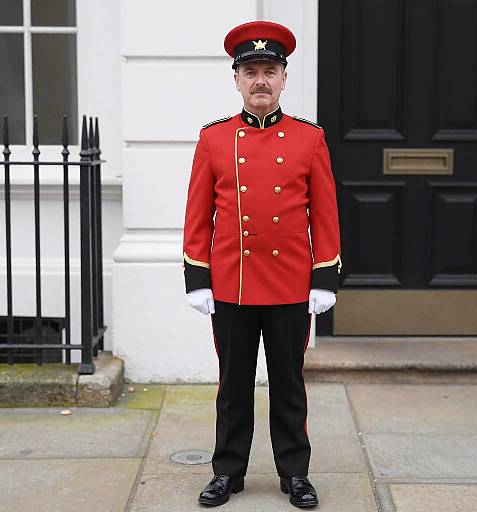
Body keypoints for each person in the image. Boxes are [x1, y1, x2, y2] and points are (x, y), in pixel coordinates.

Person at [182, 20, 341, 508]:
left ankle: (295, 473)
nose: (260, 81)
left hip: (292, 283)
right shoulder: (214, 139)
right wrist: (197, 276)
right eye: (250, 71)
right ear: (236, 79)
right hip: (233, 282)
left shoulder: (309, 139)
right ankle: (227, 471)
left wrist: (325, 275)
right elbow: (198, 212)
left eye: (269, 70)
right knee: (233, 385)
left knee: (289, 385)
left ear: (284, 78)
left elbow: (325, 211)